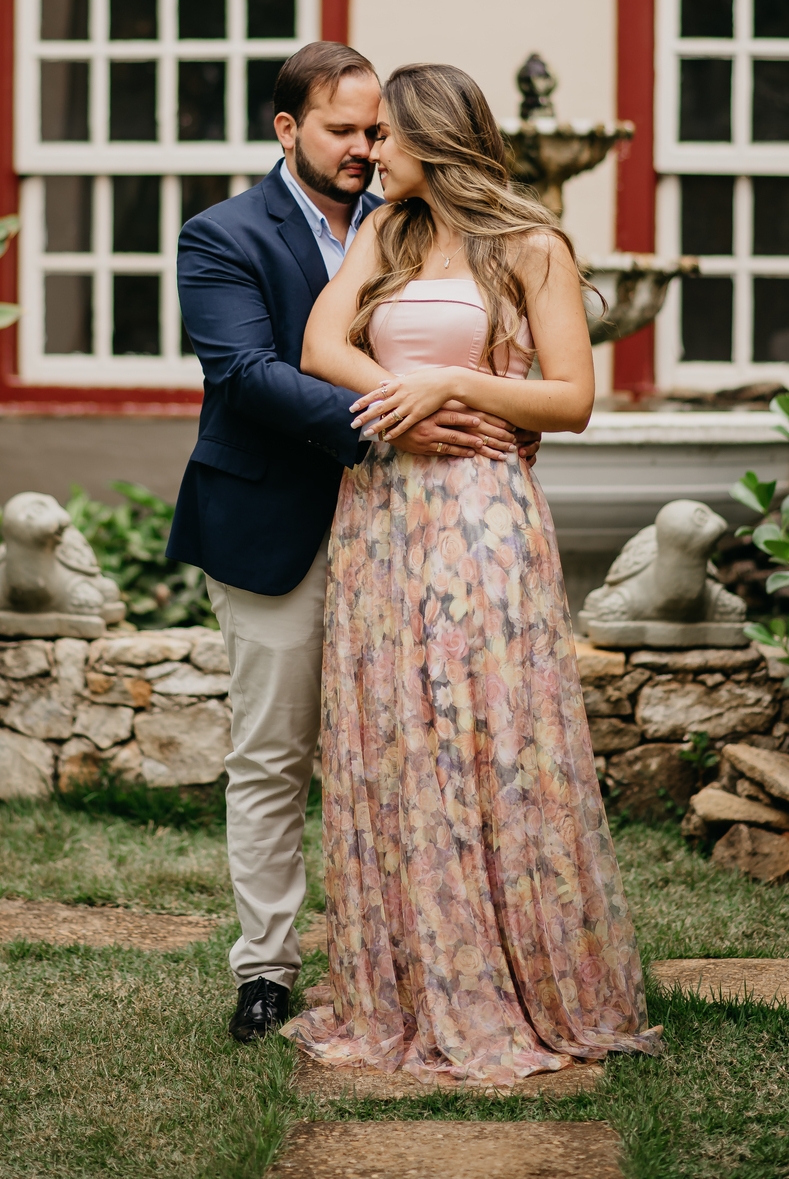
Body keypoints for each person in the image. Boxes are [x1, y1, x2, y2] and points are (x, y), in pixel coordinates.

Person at [283, 62, 662, 1085]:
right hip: (384, 515)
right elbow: (322, 342)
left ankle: (521, 977)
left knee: (488, 732)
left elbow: (575, 397)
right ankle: (405, 983)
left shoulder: (532, 245)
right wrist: (408, 393)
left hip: (483, 514)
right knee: (398, 736)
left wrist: (458, 380)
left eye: (386, 139)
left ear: (434, 139)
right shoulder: (383, 234)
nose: (370, 153)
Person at [166, 42, 534, 1044]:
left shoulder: (420, 221)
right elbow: (243, 372)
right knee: (274, 754)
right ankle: (266, 970)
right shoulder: (221, 233)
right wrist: (391, 417)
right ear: (287, 129)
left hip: (420, 530)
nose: (367, 149)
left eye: (378, 130)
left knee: (423, 752)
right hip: (275, 520)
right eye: (344, 131)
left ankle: (421, 961)